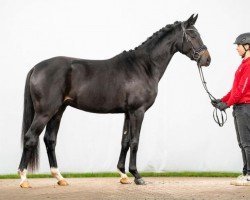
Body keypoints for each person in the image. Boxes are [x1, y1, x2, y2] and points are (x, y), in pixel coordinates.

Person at [212, 32, 250, 186]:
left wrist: (226, 105)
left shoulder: (248, 66)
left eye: (238, 46)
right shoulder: (243, 65)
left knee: (247, 142)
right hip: (239, 108)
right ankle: (246, 172)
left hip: (245, 108)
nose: (237, 49)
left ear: (247, 46)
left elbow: (241, 90)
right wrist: (222, 100)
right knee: (242, 142)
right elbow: (235, 90)